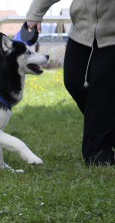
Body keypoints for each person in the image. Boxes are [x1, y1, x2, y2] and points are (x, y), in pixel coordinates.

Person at [27, 0, 115, 166]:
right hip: (80, 33)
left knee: (101, 90)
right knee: (73, 81)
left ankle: (98, 154)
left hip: (112, 37)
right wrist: (35, 13)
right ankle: (107, 132)